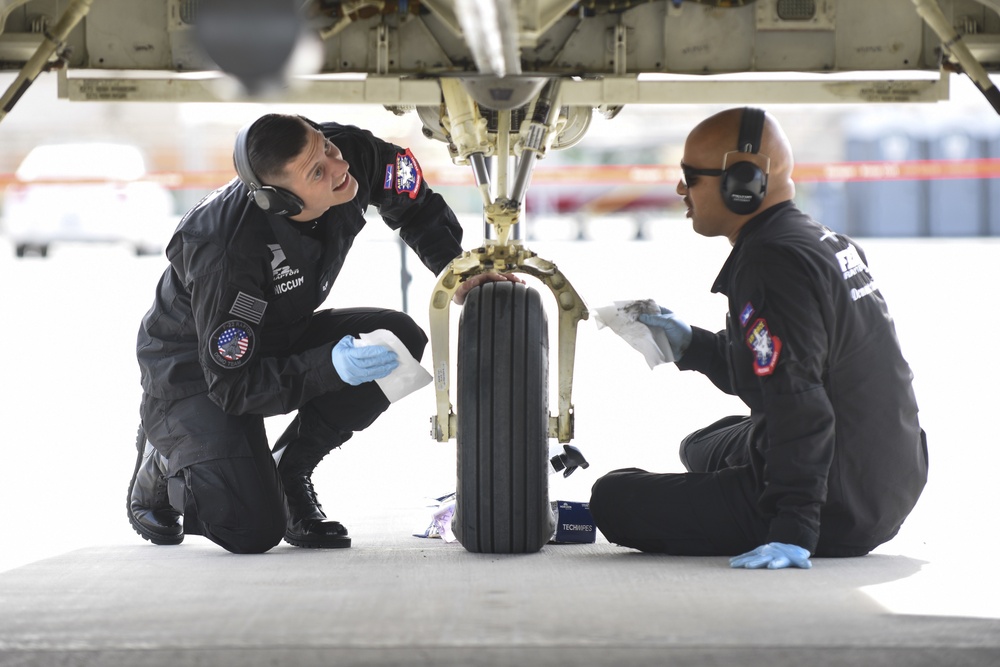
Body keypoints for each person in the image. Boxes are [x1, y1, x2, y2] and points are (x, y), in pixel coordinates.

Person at [128, 113, 515, 554]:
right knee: (250, 530)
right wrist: (327, 367)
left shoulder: (350, 152)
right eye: (317, 171)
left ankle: (290, 470)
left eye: (325, 148)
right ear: (282, 202)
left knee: (396, 337)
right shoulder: (224, 249)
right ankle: (167, 456)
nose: (338, 166)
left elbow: (415, 202)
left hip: (280, 330)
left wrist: (454, 270)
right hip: (197, 369)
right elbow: (234, 386)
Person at [589, 107, 928, 569]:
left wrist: (793, 528)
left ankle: (784, 508)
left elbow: (796, 398)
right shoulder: (817, 239)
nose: (680, 189)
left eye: (690, 176)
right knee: (701, 444)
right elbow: (776, 369)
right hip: (885, 475)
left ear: (742, 183)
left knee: (613, 496)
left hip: (838, 506)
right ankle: (760, 488)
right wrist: (694, 346)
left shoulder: (771, 265)